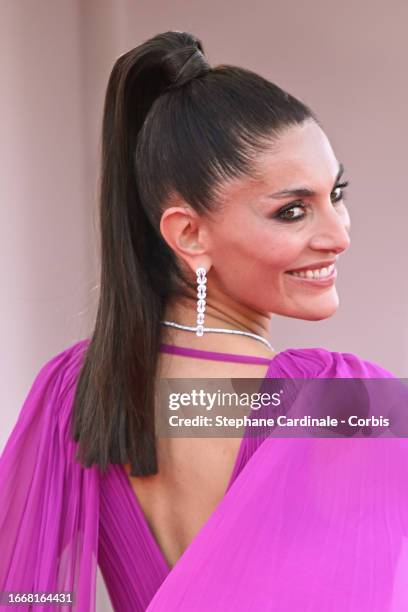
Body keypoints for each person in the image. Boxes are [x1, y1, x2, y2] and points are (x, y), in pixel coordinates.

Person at [1, 30, 407, 612]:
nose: (338, 234)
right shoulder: (337, 400)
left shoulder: (74, 392)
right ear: (189, 233)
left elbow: (21, 589)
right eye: (292, 211)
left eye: (335, 193)